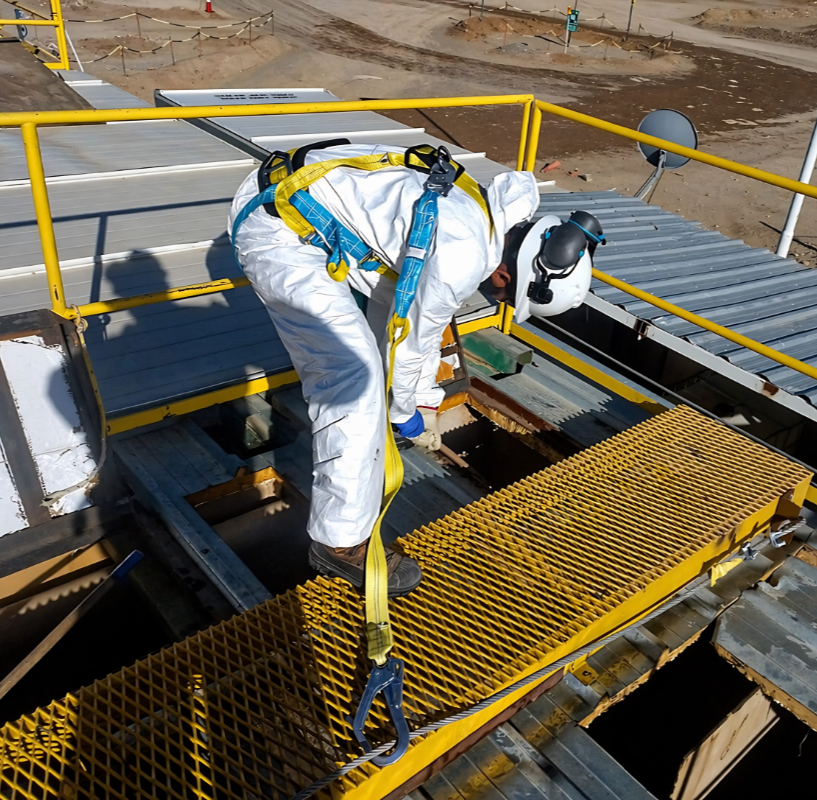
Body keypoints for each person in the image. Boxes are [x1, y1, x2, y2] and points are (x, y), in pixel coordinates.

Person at [229, 141, 604, 597]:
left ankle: (354, 489)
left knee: (381, 348)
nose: (493, 297)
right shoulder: (462, 255)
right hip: (277, 231)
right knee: (353, 377)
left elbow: (404, 307)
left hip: (298, 201)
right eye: (503, 296)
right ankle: (339, 541)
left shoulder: (482, 216)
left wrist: (421, 398)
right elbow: (411, 339)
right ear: (508, 276)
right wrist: (401, 408)